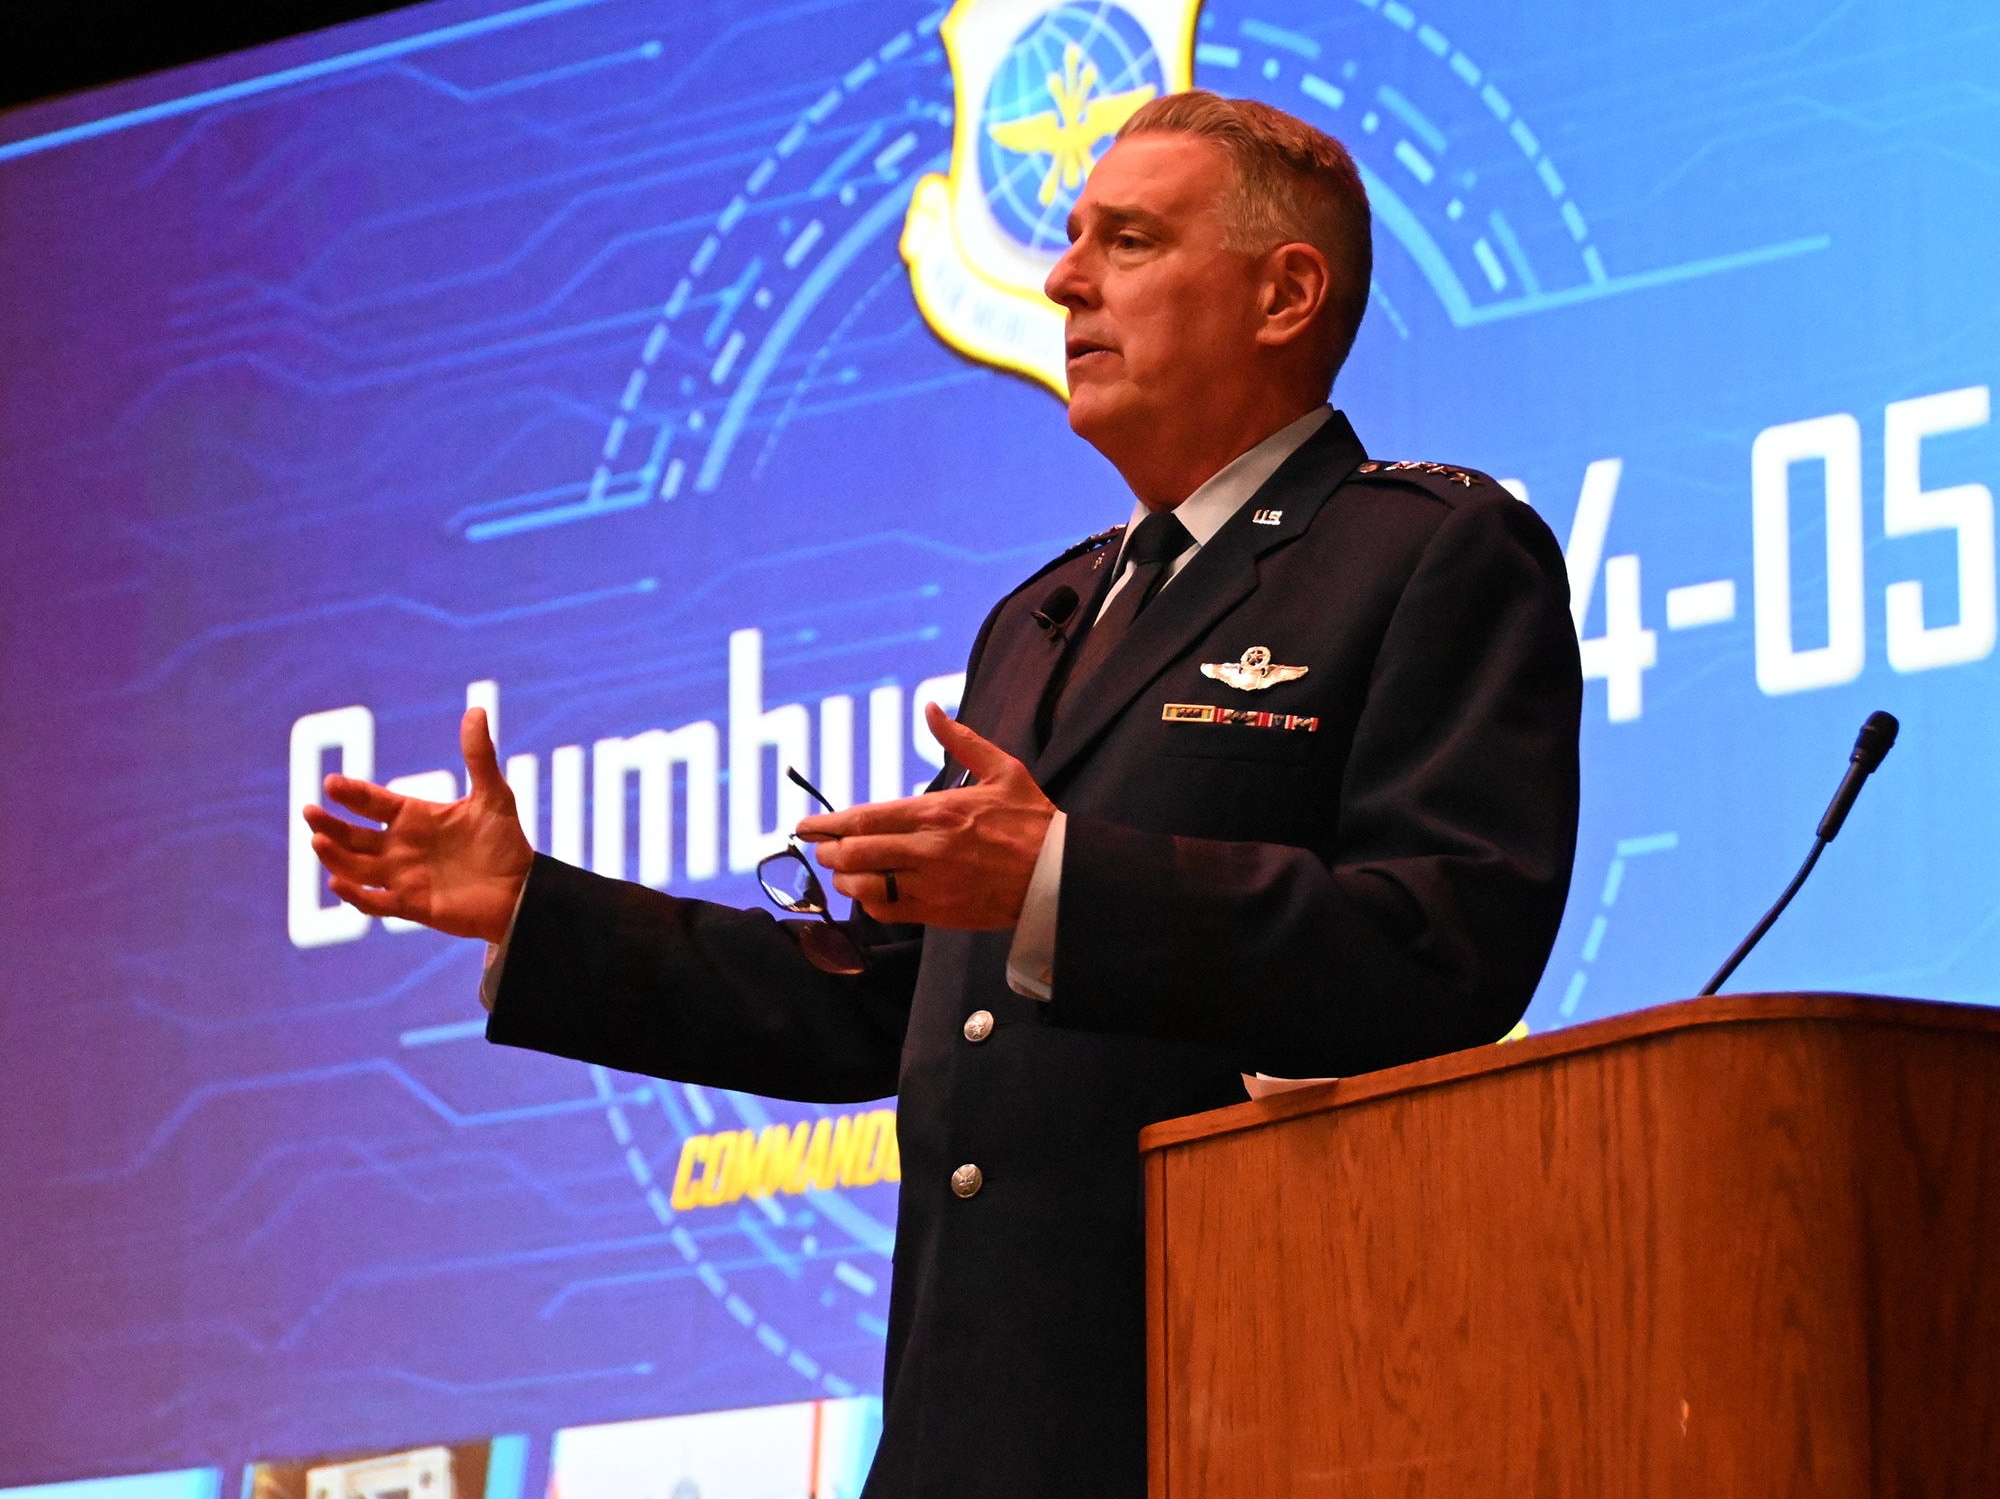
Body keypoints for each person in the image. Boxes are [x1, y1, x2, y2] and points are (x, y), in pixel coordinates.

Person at [305, 91, 1582, 1498]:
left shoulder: (1429, 554)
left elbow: (1444, 940)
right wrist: (541, 913)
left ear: (1285, 293)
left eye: (1130, 240)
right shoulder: (1041, 620)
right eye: (1075, 237)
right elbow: (883, 1000)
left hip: (1240, 1407)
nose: (1060, 276)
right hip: (968, 1430)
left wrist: (1056, 881)